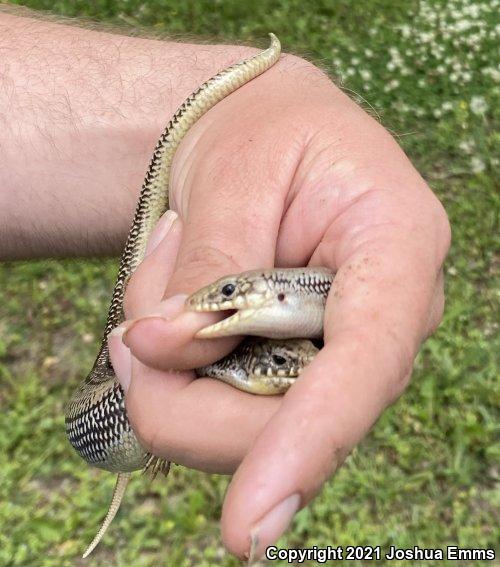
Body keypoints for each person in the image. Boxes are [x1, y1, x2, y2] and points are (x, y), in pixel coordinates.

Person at [0, 9, 451, 561]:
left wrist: (237, 120)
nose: (295, 369)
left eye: (289, 362)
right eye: (284, 365)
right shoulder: (241, 331)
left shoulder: (270, 328)